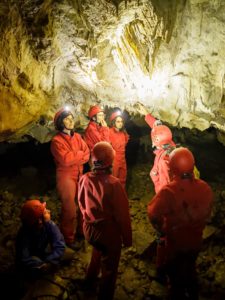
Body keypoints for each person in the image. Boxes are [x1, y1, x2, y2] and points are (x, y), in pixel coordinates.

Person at [147, 147, 213, 300]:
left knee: (175, 277)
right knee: (190, 267)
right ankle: (192, 290)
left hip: (175, 243)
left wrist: (162, 228)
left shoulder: (168, 191)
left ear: (172, 166)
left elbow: (153, 213)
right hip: (195, 241)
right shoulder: (205, 188)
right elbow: (207, 212)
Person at [78, 141, 132, 300]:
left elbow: (81, 203)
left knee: (96, 252)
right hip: (108, 234)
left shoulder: (84, 178)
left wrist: (88, 220)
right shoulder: (114, 184)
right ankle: (104, 295)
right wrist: (127, 239)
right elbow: (123, 215)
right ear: (110, 161)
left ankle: (89, 283)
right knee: (109, 268)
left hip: (90, 229)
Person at [51, 107, 90, 249]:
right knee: (70, 209)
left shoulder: (78, 137)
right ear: (61, 123)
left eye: (71, 118)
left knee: (82, 205)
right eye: (67, 119)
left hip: (79, 173)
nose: (70, 120)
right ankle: (68, 239)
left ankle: (81, 232)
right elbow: (65, 160)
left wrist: (77, 156)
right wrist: (79, 155)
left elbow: (87, 154)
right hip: (65, 176)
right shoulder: (56, 141)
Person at [16, 200, 66, 277]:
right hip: (34, 258)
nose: (40, 222)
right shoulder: (24, 233)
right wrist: (43, 264)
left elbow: (59, 244)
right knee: (34, 266)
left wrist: (50, 261)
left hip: (43, 254)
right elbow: (24, 258)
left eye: (41, 216)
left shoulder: (47, 224)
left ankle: (46, 267)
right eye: (44, 212)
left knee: (67, 253)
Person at [109, 109, 129, 189]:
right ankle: (112, 199)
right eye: (118, 121)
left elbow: (125, 143)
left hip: (122, 159)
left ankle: (121, 197)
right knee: (113, 180)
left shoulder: (123, 133)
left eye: (121, 121)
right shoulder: (109, 132)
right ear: (113, 122)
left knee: (122, 179)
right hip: (114, 160)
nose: (120, 123)